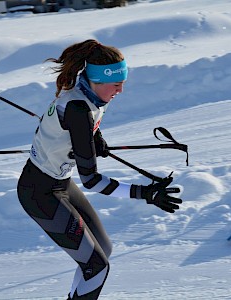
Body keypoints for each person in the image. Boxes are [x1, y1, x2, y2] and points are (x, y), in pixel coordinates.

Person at [16, 39, 182, 300]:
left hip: (60, 184)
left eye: (123, 84)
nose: (120, 91)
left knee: (102, 250)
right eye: (116, 85)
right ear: (98, 80)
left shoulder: (83, 92)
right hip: (40, 193)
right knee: (97, 267)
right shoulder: (79, 110)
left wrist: (94, 136)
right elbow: (92, 181)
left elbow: (77, 122)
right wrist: (145, 194)